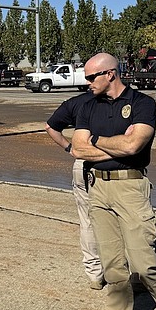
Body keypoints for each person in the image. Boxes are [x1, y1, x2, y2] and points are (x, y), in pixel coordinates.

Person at [72, 52, 156, 310]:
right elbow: (77, 149)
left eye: (91, 77)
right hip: (98, 188)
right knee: (113, 267)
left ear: (110, 74)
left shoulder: (142, 104)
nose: (86, 83)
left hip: (131, 188)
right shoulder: (86, 106)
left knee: (145, 264)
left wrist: (96, 142)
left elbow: (135, 144)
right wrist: (112, 146)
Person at [44, 92, 105, 291]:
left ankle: (95, 274)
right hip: (113, 163)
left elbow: (50, 127)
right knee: (122, 220)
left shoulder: (76, 102)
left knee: (88, 219)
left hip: (82, 164)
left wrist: (70, 148)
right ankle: (133, 274)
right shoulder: (119, 101)